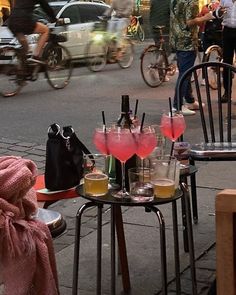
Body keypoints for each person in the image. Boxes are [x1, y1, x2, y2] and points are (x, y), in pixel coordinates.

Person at [169, 0, 214, 116]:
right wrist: (206, 17)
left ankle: (190, 100)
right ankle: (177, 106)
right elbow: (189, 22)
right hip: (187, 41)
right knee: (185, 73)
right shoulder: (192, 2)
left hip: (177, 39)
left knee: (186, 71)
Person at [213, 1, 236, 102]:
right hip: (227, 31)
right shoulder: (224, 0)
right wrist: (220, 11)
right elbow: (218, 12)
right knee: (226, 62)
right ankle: (227, 92)